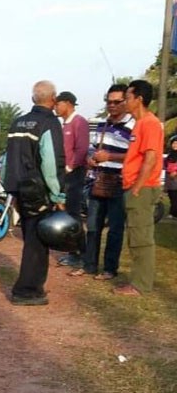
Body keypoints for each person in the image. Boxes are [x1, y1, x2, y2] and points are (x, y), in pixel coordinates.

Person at [1, 80, 66, 306]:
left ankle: (31, 286)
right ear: (54, 99)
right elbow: (51, 164)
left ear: (32, 99)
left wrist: (9, 187)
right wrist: (58, 196)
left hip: (19, 189)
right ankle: (26, 290)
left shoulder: (17, 122)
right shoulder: (49, 123)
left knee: (31, 237)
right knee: (37, 242)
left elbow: (7, 159)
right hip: (38, 191)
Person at [69, 84, 134, 280]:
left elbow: (135, 155)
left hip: (119, 182)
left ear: (125, 101)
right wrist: (90, 158)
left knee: (115, 228)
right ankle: (89, 265)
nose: (111, 105)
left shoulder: (133, 125)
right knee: (93, 226)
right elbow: (92, 147)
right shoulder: (102, 124)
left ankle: (109, 268)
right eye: (108, 101)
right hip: (97, 181)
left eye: (116, 102)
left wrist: (110, 157)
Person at [115, 79, 163, 296]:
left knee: (141, 237)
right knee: (136, 235)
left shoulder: (150, 123)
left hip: (142, 189)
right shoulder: (139, 124)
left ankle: (140, 285)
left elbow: (151, 158)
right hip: (135, 187)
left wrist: (137, 187)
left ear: (139, 99)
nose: (125, 101)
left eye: (128, 97)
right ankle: (138, 281)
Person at [54, 91, 90, 268]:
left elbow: (81, 149)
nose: (55, 107)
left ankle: (80, 253)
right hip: (63, 174)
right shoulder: (64, 124)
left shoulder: (79, 122)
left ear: (67, 103)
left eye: (57, 104)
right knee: (65, 213)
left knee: (73, 215)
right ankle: (72, 251)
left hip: (74, 174)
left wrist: (69, 168)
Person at [165, 134, 177, 219]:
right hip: (170, 178)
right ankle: (173, 212)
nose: (175, 145)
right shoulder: (170, 155)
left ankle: (174, 213)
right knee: (171, 196)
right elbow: (165, 165)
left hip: (175, 178)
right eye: (174, 143)